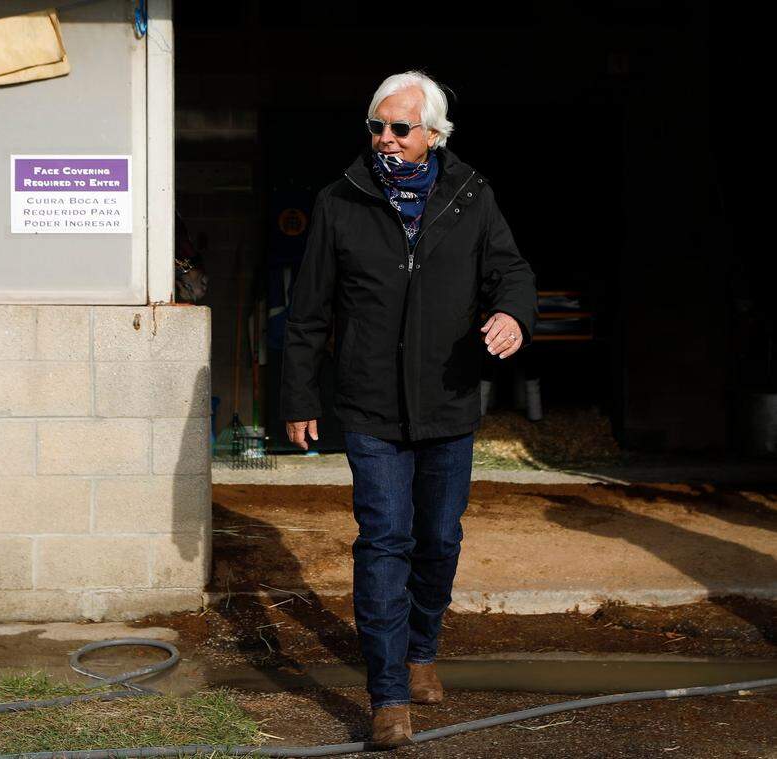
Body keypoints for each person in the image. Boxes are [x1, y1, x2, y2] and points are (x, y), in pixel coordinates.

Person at [279, 70, 538, 747]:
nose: (386, 138)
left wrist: (512, 313)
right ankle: (389, 695)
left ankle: (422, 648)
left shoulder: (471, 196)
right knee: (385, 539)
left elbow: (511, 272)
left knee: (440, 538)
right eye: (378, 126)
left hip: (448, 399)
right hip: (369, 405)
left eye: (400, 127)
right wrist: (300, 395)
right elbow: (309, 309)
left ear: (434, 134)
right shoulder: (341, 200)